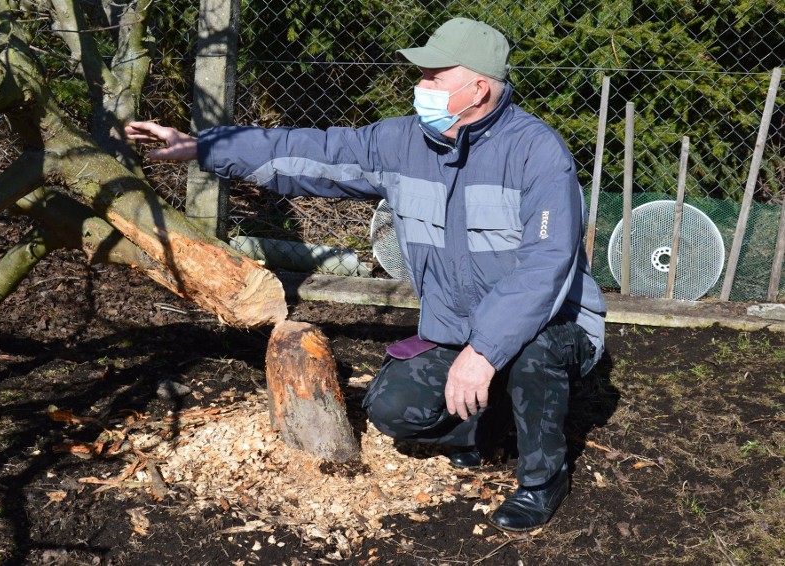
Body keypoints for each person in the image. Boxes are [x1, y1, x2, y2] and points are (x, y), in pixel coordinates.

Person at [125, 17, 606, 532]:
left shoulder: (536, 152)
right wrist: (206, 147)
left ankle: (541, 480)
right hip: (458, 327)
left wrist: (485, 352)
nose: (418, 87)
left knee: (533, 358)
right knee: (393, 409)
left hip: (555, 321)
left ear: (478, 88)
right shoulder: (402, 142)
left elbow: (544, 266)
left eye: (432, 77)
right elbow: (314, 152)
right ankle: (484, 429)